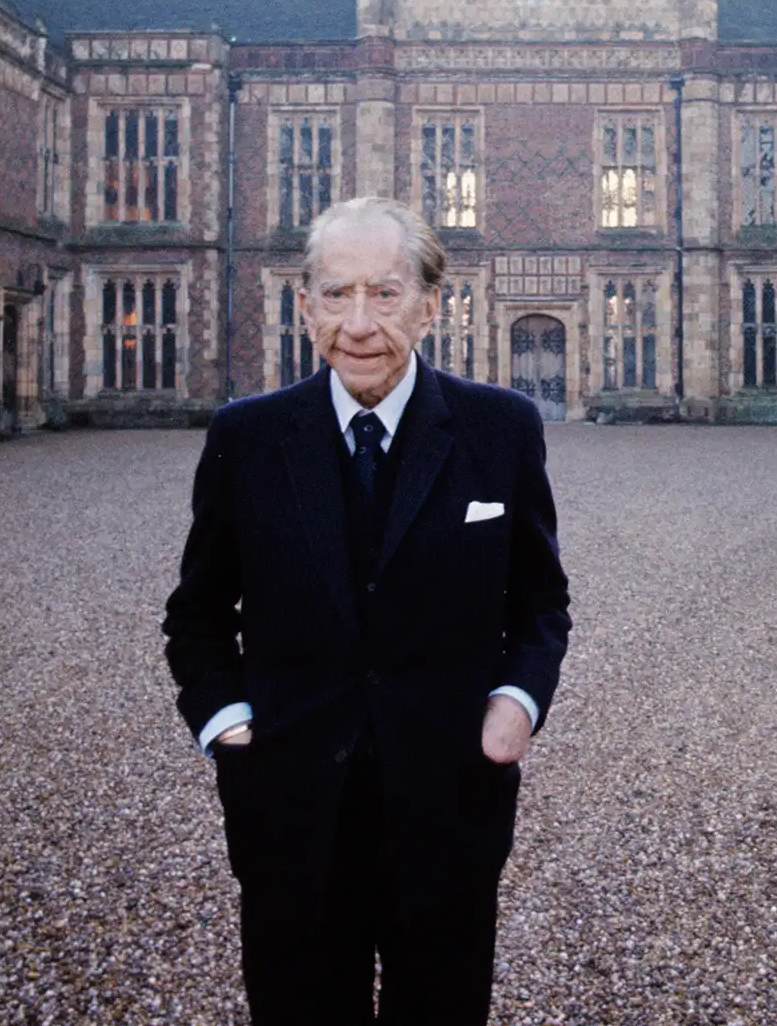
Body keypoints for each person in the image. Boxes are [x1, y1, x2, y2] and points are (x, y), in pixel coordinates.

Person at [164, 195, 572, 1025]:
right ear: (304, 303)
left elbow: (541, 602)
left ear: (429, 304)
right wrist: (228, 724)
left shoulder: (500, 429)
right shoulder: (247, 437)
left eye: (384, 294)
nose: (358, 322)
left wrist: (517, 704)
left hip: (449, 804)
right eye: (336, 294)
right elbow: (197, 614)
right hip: (289, 809)